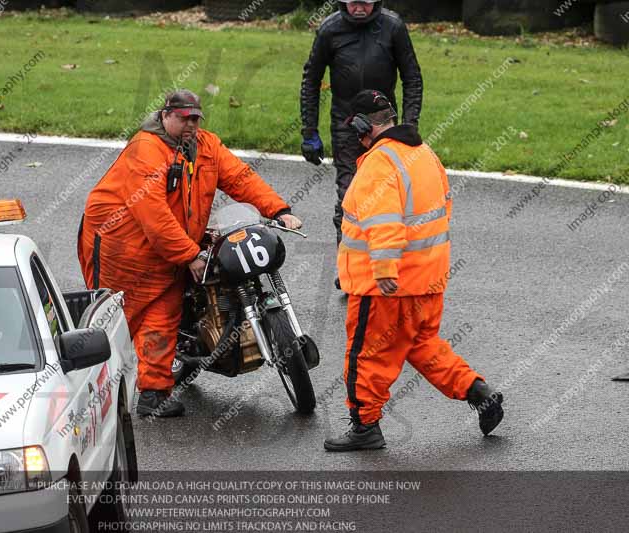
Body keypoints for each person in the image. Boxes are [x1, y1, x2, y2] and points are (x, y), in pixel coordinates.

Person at [78, 89, 302, 418]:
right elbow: (153, 215)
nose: (191, 125)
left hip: (169, 247)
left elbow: (240, 178)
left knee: (164, 313)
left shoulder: (206, 146)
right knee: (118, 321)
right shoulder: (146, 150)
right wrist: (189, 254)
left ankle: (154, 393)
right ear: (166, 115)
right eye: (184, 119)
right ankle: (82, 394)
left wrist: (279, 209)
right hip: (121, 248)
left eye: (196, 118)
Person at [323, 90, 503, 452]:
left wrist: (386, 268)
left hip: (385, 287)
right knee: (422, 345)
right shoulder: (424, 154)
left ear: (362, 126)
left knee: (367, 356)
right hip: (428, 280)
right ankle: (479, 393)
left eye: (354, 130)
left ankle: (365, 427)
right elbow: (443, 208)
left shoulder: (379, 163)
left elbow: (385, 220)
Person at [300, 0, 423, 287]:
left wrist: (409, 124)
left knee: (389, 194)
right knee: (349, 197)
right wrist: (309, 131)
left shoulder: (393, 27)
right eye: (353, 2)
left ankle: (388, 262)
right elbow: (311, 80)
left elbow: (412, 78)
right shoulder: (330, 29)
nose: (359, 8)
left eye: (365, 3)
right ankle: (350, 270)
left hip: (384, 124)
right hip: (347, 124)